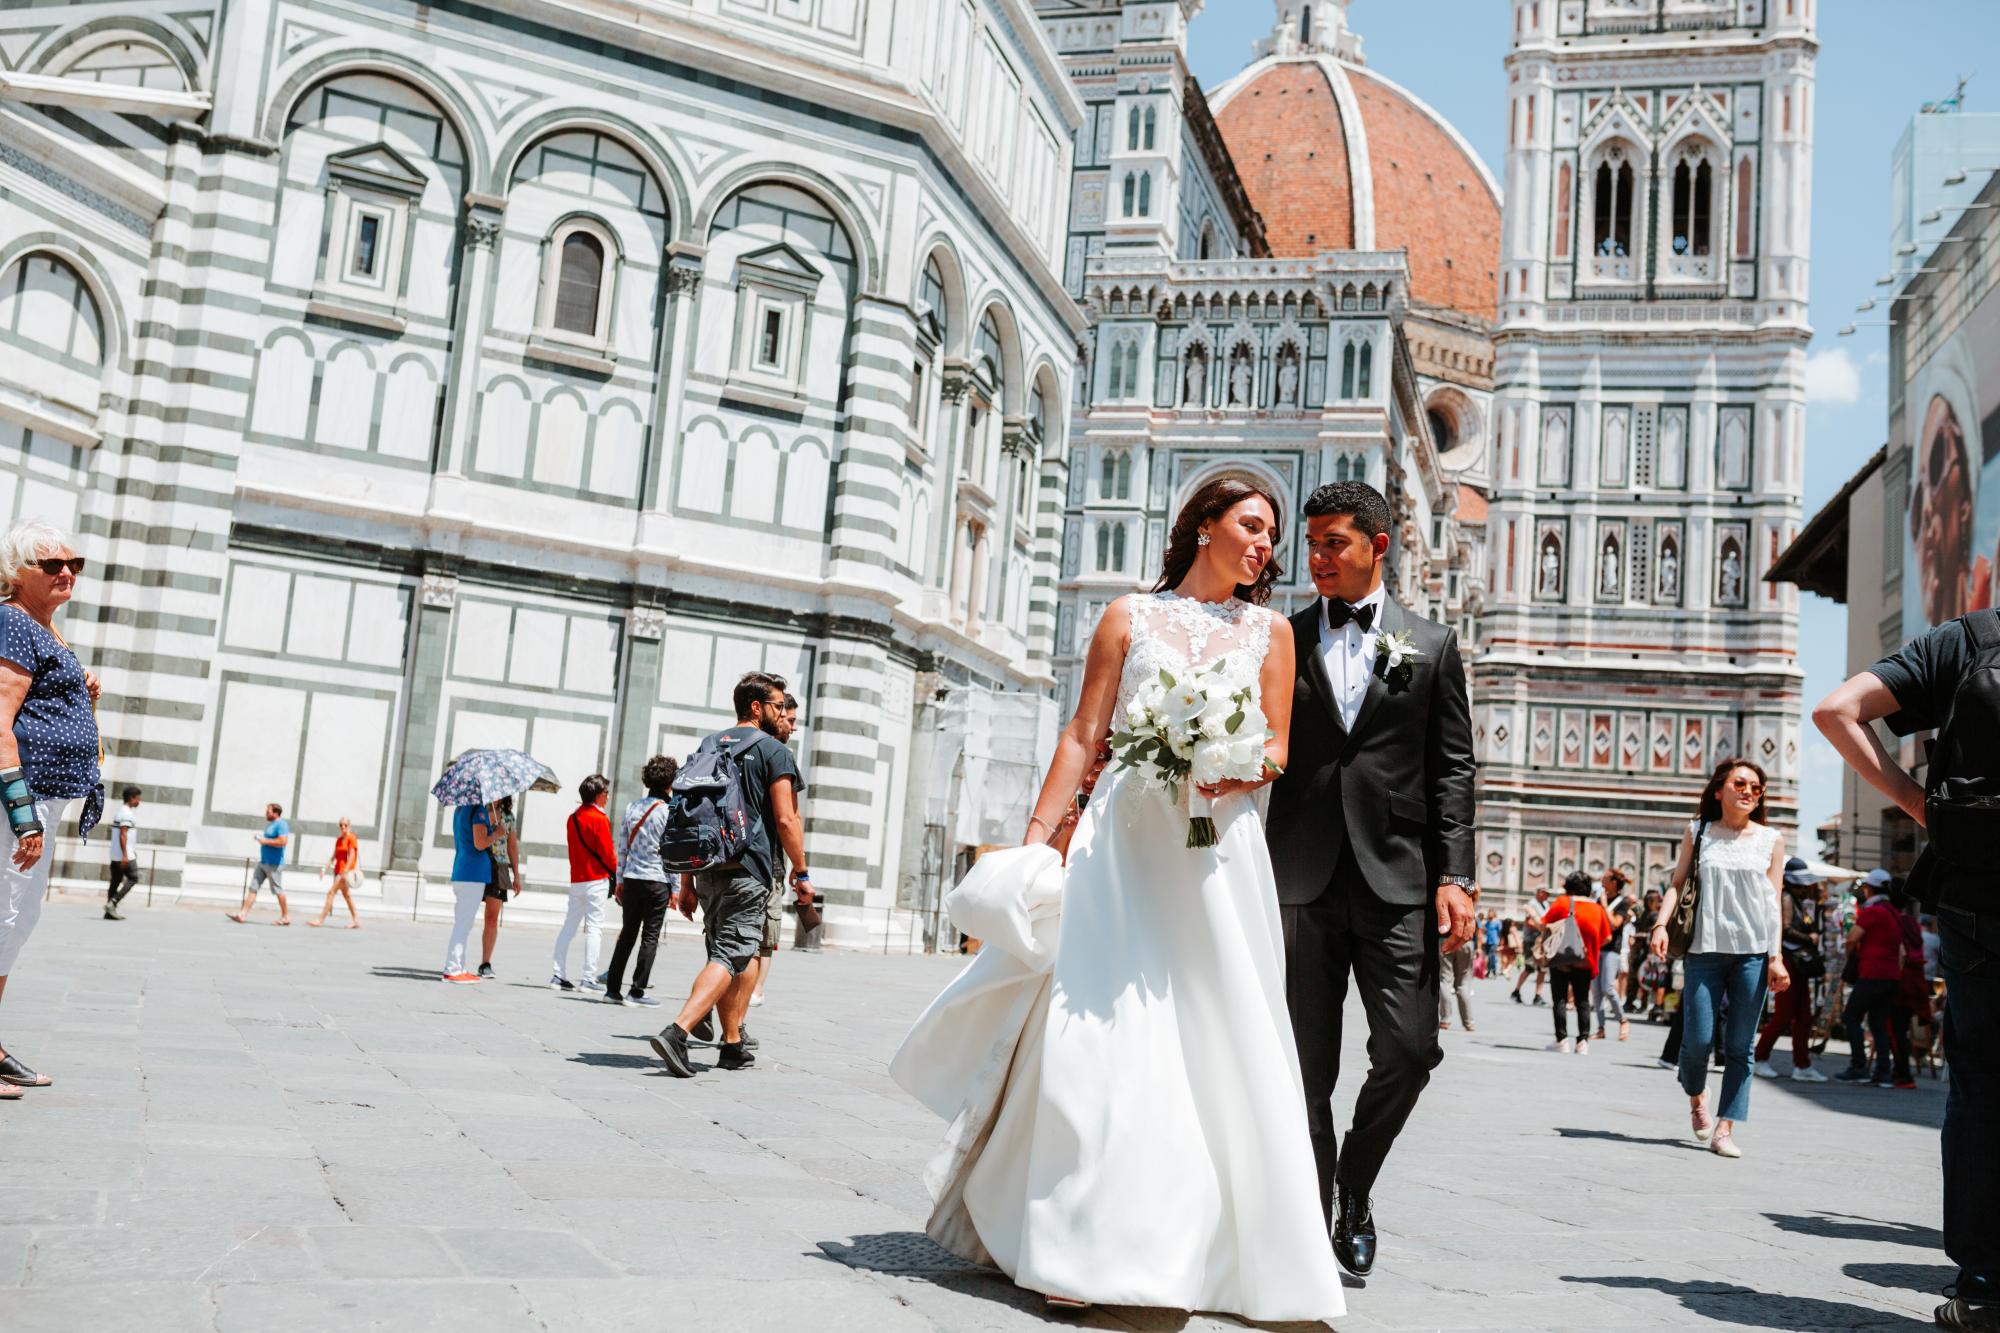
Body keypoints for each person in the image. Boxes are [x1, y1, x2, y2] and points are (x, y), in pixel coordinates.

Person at [893, 476, 1346, 1321]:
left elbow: (1278, 749)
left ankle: (1231, 1249)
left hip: (1214, 851)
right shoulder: (1127, 616)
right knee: (1101, 1026)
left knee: (1219, 1030)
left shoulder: (1273, 632)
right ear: (1203, 525)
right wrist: (1038, 839)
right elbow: (1082, 734)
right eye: (1251, 525)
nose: (1265, 546)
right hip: (1121, 842)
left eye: (1271, 536)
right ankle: (1081, 1242)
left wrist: (1219, 762)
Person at [1266, 479, 1477, 1282]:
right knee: (1306, 1067)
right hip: (1302, 874)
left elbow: (1452, 767)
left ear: (1377, 545)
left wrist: (1456, 874)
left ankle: (1353, 1184)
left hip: (1400, 878)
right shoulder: (1281, 638)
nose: (1317, 558)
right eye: (1312, 544)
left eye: (1334, 543)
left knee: (1411, 1049)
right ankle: (1311, 1210)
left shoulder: (1432, 644)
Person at [1816, 616, 2000, 1331]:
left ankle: (1984, 1289)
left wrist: (1922, 806)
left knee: (1981, 1087)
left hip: (1978, 898)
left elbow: (1836, 711)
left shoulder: (1970, 639)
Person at [650, 671, 810, 1078]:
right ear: (757, 707)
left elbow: (687, 814)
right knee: (732, 953)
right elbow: (786, 819)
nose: (783, 713)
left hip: (707, 868)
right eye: (778, 706)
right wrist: (802, 871)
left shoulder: (708, 744)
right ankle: (679, 1031)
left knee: (723, 951)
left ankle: (733, 1044)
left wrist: (687, 881)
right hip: (748, 867)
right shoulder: (774, 751)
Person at [0, 521, 103, 1098]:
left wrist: (79, 693)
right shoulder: (14, 621)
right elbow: (0, 722)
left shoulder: (43, 627)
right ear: (18, 573)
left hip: (47, 797)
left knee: (16, 920)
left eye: (74, 563)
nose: (67, 571)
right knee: (4, 915)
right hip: (23, 800)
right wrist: (23, 817)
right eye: (52, 564)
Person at [1649, 759, 1788, 1159]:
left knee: (1741, 1046)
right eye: (1740, 784)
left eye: (1756, 788)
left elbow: (1773, 903)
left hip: (1753, 954)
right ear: (1718, 790)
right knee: (1696, 1042)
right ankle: (1697, 1097)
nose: (1748, 792)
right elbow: (1677, 884)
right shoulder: (1699, 831)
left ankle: (1725, 1128)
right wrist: (1660, 925)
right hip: (1703, 950)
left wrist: (1776, 956)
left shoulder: (1771, 839)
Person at [605, 756, 676, 1007]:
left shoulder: (633, 807)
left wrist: (619, 880)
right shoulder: (669, 812)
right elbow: (671, 852)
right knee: (650, 936)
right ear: (670, 782)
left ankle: (612, 989)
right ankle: (636, 991)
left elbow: (622, 847)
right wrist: (676, 888)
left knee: (627, 934)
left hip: (632, 878)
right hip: (657, 880)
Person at [1753, 858, 1828, 1082]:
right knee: (1784, 1016)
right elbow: (1785, 929)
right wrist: (1809, 938)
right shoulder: (1786, 898)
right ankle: (1759, 1058)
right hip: (1789, 963)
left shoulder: (1797, 900)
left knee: (1803, 1016)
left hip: (1796, 964)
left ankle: (1801, 1064)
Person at [751, 691, 803, 1010]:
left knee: (727, 941)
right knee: (762, 941)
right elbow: (789, 819)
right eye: (790, 718)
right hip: (766, 864)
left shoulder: (728, 746)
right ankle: (747, 1000)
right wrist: (802, 868)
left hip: (727, 862)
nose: (793, 726)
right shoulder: (779, 755)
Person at [1836, 875, 1905, 1087]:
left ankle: (1859, 1067)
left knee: (1850, 1016)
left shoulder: (1873, 911)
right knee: (1878, 1024)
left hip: (1872, 973)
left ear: (1869, 889)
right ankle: (1883, 1072)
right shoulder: (1894, 913)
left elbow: (1852, 938)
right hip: (1891, 976)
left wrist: (1850, 959)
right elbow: (1902, 953)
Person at [555, 774, 614, 993]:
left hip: (577, 879)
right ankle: (588, 978)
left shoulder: (573, 818)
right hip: (596, 879)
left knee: (569, 927)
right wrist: (617, 872)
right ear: (597, 794)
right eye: (606, 793)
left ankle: (558, 974)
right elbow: (608, 853)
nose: (607, 797)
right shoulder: (600, 818)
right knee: (594, 929)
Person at [1541, 872, 1611, 1054]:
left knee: (1560, 999)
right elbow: (1607, 937)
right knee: (1582, 1001)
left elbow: (1545, 924)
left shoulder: (1562, 903)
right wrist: (1587, 945)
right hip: (1585, 961)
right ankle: (1583, 1042)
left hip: (1561, 959)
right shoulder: (1597, 909)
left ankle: (1562, 1040)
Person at [442, 800, 495, 983]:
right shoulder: (478, 809)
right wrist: (496, 834)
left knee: (463, 923)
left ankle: (459, 967)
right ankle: (453, 969)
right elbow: (480, 843)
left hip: (463, 870)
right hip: (472, 873)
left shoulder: (460, 809)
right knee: (463, 924)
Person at [478, 794, 522, 978]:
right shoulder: (478, 812)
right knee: (466, 914)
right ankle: (457, 959)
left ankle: (485, 963)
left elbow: (512, 847)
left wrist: (516, 875)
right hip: (477, 865)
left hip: (500, 867)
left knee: (492, 917)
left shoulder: (508, 816)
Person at [229, 803, 291, 925]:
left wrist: (264, 841)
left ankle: (285, 917)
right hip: (263, 862)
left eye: (268, 812)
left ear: (276, 813)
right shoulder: (271, 824)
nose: (265, 814)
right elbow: (269, 840)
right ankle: (242, 914)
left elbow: (283, 842)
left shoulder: (282, 824)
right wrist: (261, 838)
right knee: (253, 887)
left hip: (274, 864)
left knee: (278, 890)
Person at [1592, 869, 1634, 1042]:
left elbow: (1615, 924)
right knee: (1596, 990)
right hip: (1598, 947)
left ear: (1614, 883)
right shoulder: (1599, 899)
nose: (1602, 880)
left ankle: (1623, 1020)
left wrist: (1603, 906)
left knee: (1608, 987)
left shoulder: (1623, 903)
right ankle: (1600, 1028)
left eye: (1605, 878)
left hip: (1612, 949)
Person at [308, 816, 362, 929]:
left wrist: (346, 870)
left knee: (330, 893)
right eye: (341, 825)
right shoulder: (339, 840)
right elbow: (333, 857)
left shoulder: (352, 838)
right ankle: (356, 920)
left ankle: (320, 920)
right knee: (347, 896)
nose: (343, 827)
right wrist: (324, 869)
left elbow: (352, 855)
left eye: (345, 825)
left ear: (349, 826)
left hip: (344, 873)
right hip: (338, 871)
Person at [1439, 887, 1479, 1033]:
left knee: (1445, 980)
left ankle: (1445, 1020)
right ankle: (1469, 1022)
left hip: (1445, 939)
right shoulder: (1469, 900)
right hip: (1466, 941)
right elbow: (1477, 888)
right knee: (1463, 984)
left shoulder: (1444, 894)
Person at [104, 785, 141, 920]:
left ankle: (109, 912)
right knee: (133, 878)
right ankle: (113, 903)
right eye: (138, 798)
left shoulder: (120, 811)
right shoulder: (126, 814)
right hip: (124, 855)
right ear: (131, 798)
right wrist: (125, 854)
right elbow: (123, 834)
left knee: (115, 881)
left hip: (116, 854)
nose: (139, 801)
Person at [1512, 886, 1553, 1005]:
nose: (1548, 896)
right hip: (1531, 940)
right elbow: (1528, 921)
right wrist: (1542, 928)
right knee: (1529, 967)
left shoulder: (1546, 904)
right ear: (1540, 892)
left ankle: (1538, 996)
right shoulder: (1532, 904)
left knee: (1542, 968)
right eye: (1546, 893)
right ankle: (1516, 991)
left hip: (1542, 940)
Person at [1481, 909, 1502, 978]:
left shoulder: (1497, 922)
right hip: (1487, 941)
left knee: (1491, 956)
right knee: (1489, 957)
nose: (1490, 914)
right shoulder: (1487, 922)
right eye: (1489, 913)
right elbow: (1484, 931)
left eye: (1491, 913)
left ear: (1494, 914)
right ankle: (1491, 971)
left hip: (1494, 941)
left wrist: (1500, 942)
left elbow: (1500, 932)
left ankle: (1492, 971)